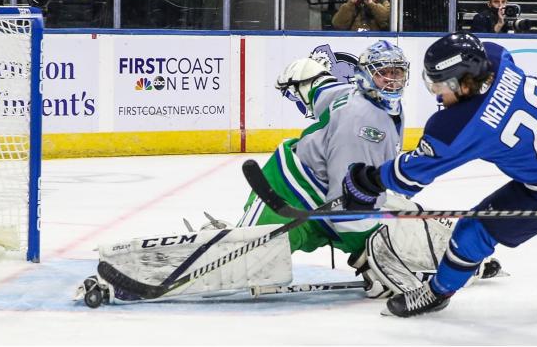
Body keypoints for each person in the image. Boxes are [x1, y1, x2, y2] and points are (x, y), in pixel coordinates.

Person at [75, 40, 499, 307]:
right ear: (368, 76)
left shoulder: (360, 94)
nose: (392, 80)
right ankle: (125, 277)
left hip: (327, 196)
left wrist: (305, 79)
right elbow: (347, 205)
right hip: (292, 195)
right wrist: (376, 247)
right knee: (242, 257)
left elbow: (321, 88)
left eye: (398, 73)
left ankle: (456, 259)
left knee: (402, 215)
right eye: (384, 73)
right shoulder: (362, 122)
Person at [341, 32, 537, 318]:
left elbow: (408, 177)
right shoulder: (497, 57)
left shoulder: (458, 126)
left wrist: (367, 180)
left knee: (473, 230)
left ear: (462, 83)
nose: (437, 94)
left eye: (440, 85)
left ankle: (437, 292)